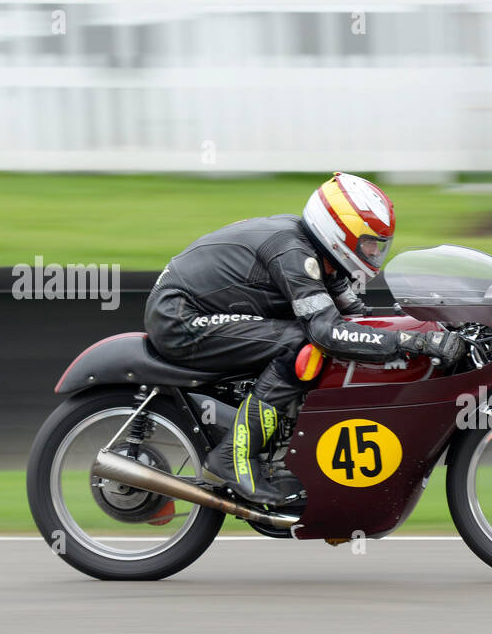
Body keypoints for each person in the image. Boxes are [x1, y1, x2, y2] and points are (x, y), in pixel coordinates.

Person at [143, 172, 465, 507]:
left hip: (194, 310)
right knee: (300, 344)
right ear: (339, 233)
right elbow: (327, 332)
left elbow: (358, 320)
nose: (373, 252)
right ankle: (232, 459)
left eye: (378, 245)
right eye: (369, 243)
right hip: (180, 318)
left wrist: (428, 325)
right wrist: (411, 343)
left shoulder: (324, 260)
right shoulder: (295, 255)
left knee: (313, 340)